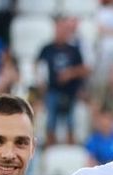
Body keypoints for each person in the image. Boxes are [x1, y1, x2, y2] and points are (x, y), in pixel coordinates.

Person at [37, 16, 90, 146]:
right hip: (52, 90)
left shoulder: (73, 50)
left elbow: (84, 69)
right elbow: (38, 67)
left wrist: (70, 73)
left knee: (71, 119)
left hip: (70, 91)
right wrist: (41, 84)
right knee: (51, 117)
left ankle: (70, 143)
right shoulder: (47, 48)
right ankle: (50, 144)